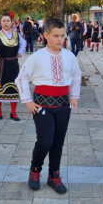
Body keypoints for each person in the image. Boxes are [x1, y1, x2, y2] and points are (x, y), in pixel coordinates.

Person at [15, 18, 81, 194]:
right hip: (42, 105)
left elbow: (76, 76)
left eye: (62, 36)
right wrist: (27, 100)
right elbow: (21, 78)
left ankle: (54, 175)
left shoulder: (69, 56)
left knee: (58, 143)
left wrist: (74, 96)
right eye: (55, 36)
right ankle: (35, 170)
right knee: (45, 142)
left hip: (63, 106)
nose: (60, 39)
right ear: (45, 35)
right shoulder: (36, 57)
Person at [0, 13, 26, 120]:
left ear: (11, 22)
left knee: (13, 86)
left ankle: (13, 112)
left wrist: (20, 52)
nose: (6, 23)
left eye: (8, 21)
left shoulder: (16, 35)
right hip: (0, 65)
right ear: (0, 22)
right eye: (3, 21)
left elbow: (24, 43)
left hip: (13, 65)